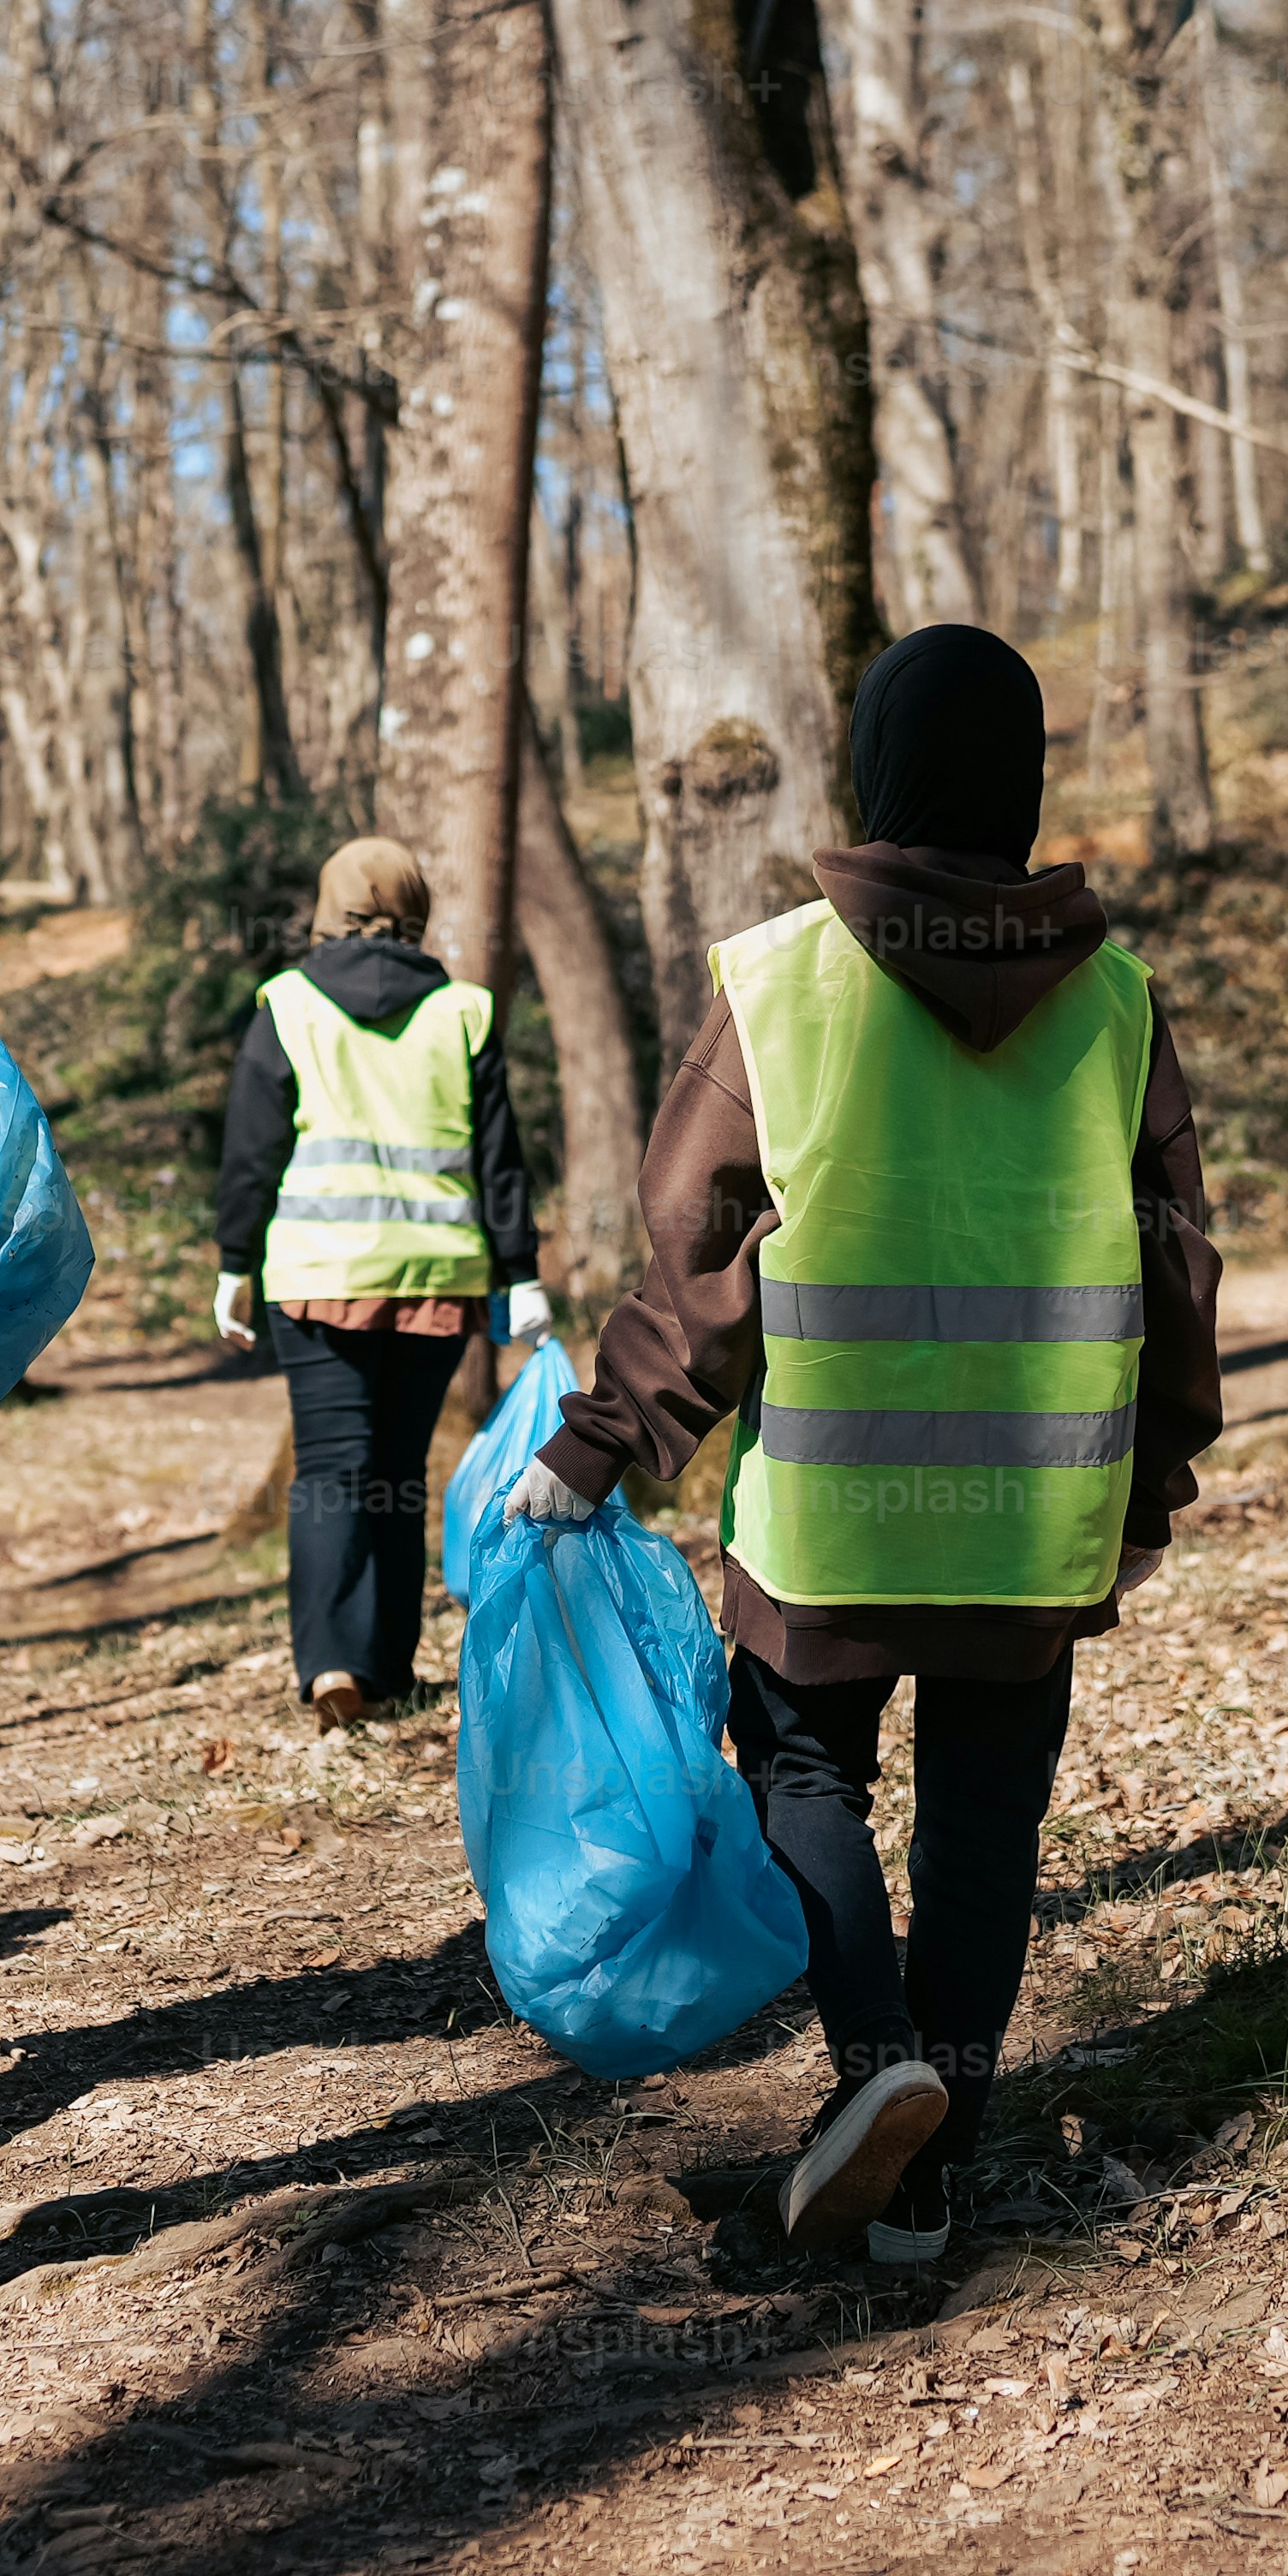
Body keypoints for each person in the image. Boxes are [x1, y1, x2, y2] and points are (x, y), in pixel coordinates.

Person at [504, 627, 1225, 2276]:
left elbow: (695, 1257)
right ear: (1021, 777)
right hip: (1034, 1514)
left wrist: (601, 1442)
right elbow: (1176, 1256)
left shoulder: (776, 979)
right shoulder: (1113, 996)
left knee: (804, 1768)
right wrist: (1148, 1488)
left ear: (876, 764)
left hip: (825, 1516)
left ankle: (872, 2063)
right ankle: (929, 2166)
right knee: (983, 1828)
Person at [209, 835, 550, 1728]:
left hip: (319, 1278)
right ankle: (391, 1666)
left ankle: (331, 1668)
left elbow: (251, 1153)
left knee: (330, 1469)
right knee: (399, 1471)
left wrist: (233, 1264)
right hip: (438, 1280)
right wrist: (523, 1274)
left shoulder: (286, 1004)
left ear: (326, 913)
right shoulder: (464, 1011)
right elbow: (500, 1162)